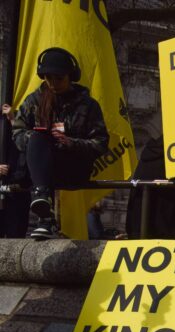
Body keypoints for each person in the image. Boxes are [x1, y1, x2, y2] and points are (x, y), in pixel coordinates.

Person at [11, 47, 109, 239]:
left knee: (43, 143)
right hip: (40, 170)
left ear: (70, 77)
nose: (53, 83)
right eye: (48, 78)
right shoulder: (34, 101)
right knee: (37, 136)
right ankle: (44, 212)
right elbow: (18, 132)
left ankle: (44, 209)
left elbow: (101, 142)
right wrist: (39, 140)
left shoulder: (88, 105)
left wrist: (71, 143)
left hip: (73, 167)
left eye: (59, 78)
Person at [0, 104, 31, 238]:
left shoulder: (21, 115)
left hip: (18, 185)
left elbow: (29, 145)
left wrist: (13, 120)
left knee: (17, 234)